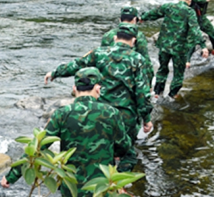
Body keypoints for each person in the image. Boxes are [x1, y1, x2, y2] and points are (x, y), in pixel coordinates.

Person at [2, 68, 132, 197]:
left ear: (74, 88)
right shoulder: (111, 113)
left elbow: (38, 148)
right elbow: (124, 147)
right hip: (103, 187)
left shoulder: (62, 114)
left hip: (73, 187)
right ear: (98, 88)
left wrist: (11, 176)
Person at [44, 23, 153, 157]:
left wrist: (55, 73)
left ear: (114, 38)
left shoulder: (99, 53)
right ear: (133, 40)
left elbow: (78, 64)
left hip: (100, 111)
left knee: (99, 147)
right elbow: (142, 92)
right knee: (124, 152)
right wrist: (146, 118)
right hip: (126, 115)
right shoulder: (137, 59)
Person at [141, 0, 209, 99]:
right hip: (180, 48)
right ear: (190, 0)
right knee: (178, 73)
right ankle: (172, 94)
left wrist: (142, 18)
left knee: (162, 68)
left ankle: (158, 92)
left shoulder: (168, 6)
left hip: (164, 46)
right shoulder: (189, 11)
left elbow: (153, 14)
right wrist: (203, 45)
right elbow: (195, 29)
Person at [101, 6, 154, 86]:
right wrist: (149, 83)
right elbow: (145, 61)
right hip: (129, 79)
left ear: (120, 20)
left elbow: (101, 58)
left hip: (109, 79)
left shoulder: (108, 35)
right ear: (134, 20)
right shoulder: (138, 36)